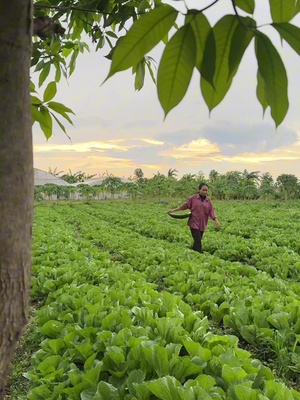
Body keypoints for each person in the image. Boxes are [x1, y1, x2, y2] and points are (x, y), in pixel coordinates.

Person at [167, 183, 220, 253]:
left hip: (202, 224)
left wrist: (216, 221)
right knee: (198, 241)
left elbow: (211, 212)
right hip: (193, 222)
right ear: (199, 190)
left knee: (197, 241)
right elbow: (184, 206)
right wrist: (173, 210)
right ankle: (200, 255)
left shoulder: (208, 201)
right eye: (203, 190)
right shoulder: (193, 198)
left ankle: (193, 255)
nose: (205, 192)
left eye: (206, 190)